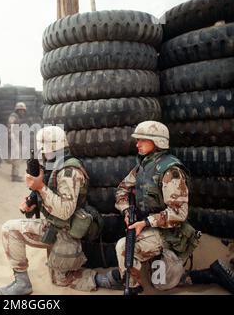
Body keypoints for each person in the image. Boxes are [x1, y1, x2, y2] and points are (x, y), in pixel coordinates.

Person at [100, 120, 234, 294]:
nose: (137, 144)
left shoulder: (171, 171)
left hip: (171, 234)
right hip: (152, 229)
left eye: (143, 140)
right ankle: (133, 286)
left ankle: (212, 273)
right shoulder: (144, 166)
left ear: (158, 142)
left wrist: (146, 222)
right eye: (138, 139)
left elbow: (178, 213)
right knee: (129, 251)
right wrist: (126, 210)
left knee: (159, 282)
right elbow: (122, 189)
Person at [0, 126, 113, 295]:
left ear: (53, 146)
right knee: (10, 230)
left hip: (66, 231)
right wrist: (32, 202)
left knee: (60, 279)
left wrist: (40, 187)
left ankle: (103, 279)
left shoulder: (69, 171)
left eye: (43, 146)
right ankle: (21, 282)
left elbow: (65, 211)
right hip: (55, 227)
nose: (42, 151)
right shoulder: (54, 166)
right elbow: (50, 195)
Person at [8, 102, 27, 182]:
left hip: (15, 138)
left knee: (16, 157)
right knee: (16, 157)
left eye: (23, 111)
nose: (22, 112)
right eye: (21, 110)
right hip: (13, 139)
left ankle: (14, 174)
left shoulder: (17, 117)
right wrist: (13, 139)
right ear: (18, 110)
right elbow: (10, 126)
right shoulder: (13, 116)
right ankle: (15, 176)